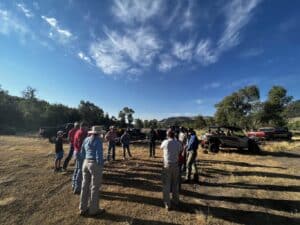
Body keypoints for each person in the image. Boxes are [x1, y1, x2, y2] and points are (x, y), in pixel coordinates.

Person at [79, 126, 105, 217]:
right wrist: (101, 164)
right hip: (94, 164)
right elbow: (99, 154)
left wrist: (85, 160)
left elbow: (82, 152)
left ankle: (83, 208)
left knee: (84, 186)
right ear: (99, 133)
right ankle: (94, 210)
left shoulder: (86, 139)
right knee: (94, 187)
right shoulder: (98, 140)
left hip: (85, 162)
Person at [160, 129, 182, 211]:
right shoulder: (178, 143)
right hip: (176, 165)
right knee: (175, 184)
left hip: (167, 165)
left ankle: (167, 204)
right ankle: (176, 201)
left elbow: (161, 147)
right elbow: (180, 150)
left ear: (168, 135)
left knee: (166, 185)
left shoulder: (165, 142)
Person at [72, 122, 88, 194]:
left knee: (76, 168)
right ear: (83, 127)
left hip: (76, 151)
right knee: (80, 170)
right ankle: (77, 188)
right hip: (80, 152)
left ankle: (74, 184)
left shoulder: (77, 131)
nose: (87, 128)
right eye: (86, 127)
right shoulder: (82, 133)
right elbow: (82, 144)